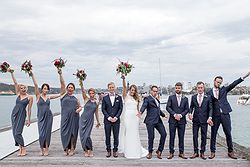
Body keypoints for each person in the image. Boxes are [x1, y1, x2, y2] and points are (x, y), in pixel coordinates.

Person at [208, 71, 250, 159]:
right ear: (214, 81)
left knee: (228, 133)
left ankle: (230, 152)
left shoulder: (224, 89)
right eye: (217, 82)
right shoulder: (209, 93)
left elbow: (234, 84)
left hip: (225, 114)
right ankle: (212, 152)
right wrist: (209, 118)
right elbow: (209, 106)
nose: (218, 83)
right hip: (215, 116)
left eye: (220, 82)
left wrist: (244, 76)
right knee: (213, 134)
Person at [30, 71, 61, 156]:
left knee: (47, 132)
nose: (46, 90)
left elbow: (59, 95)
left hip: (49, 116)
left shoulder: (48, 97)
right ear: (42, 89)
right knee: (41, 134)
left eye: (47, 88)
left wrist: (63, 93)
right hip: (40, 117)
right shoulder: (38, 96)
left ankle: (46, 148)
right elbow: (36, 85)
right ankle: (41, 148)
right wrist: (32, 75)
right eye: (44, 88)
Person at [119, 75, 148, 159]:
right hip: (128, 117)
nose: (133, 91)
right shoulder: (125, 96)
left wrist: (139, 115)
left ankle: (135, 150)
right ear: (129, 90)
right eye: (132, 90)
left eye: (134, 90)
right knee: (128, 133)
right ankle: (128, 151)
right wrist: (124, 79)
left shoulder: (137, 98)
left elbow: (138, 108)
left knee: (135, 133)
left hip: (135, 117)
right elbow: (124, 87)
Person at [8, 68, 33, 156]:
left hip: (22, 115)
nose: (23, 89)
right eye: (21, 88)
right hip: (14, 114)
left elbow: (29, 109)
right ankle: (20, 149)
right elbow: (15, 83)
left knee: (18, 132)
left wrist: (29, 120)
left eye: (24, 88)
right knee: (14, 132)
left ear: (27, 89)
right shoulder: (18, 94)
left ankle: (24, 148)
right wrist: (12, 73)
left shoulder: (30, 97)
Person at [57, 69, 82, 156]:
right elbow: (62, 84)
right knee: (64, 133)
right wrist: (60, 74)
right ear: (67, 88)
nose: (70, 88)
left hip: (74, 118)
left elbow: (80, 107)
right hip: (65, 118)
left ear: (74, 89)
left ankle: (72, 148)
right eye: (69, 87)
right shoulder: (63, 95)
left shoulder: (76, 98)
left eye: (72, 87)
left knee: (73, 133)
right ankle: (65, 148)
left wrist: (79, 109)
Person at [138, 85, 167, 159]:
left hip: (158, 120)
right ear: (151, 91)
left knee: (164, 134)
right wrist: (141, 112)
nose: (155, 92)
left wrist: (163, 115)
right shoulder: (147, 98)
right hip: (150, 121)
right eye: (154, 91)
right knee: (151, 137)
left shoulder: (157, 100)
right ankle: (150, 152)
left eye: (156, 91)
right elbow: (144, 105)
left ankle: (159, 150)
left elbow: (158, 110)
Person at [188, 81, 213, 160]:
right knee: (195, 136)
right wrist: (190, 113)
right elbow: (191, 107)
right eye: (198, 88)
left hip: (204, 120)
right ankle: (196, 152)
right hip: (195, 119)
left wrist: (210, 117)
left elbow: (211, 108)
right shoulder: (193, 97)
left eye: (201, 87)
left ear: (204, 88)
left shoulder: (208, 97)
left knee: (204, 136)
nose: (200, 89)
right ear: (196, 88)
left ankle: (202, 152)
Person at [166, 82, 189, 159]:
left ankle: (181, 153)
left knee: (181, 137)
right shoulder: (171, 97)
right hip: (172, 120)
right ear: (175, 88)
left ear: (181, 89)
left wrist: (181, 115)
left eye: (179, 88)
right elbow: (168, 107)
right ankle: (171, 152)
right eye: (176, 88)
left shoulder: (185, 98)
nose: (177, 89)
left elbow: (187, 109)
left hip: (182, 121)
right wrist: (174, 114)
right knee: (172, 137)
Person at [79, 80, 101, 157]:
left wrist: (98, 122)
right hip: (82, 119)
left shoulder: (96, 102)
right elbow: (82, 90)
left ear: (94, 93)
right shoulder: (86, 99)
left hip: (90, 120)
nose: (91, 95)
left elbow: (96, 112)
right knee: (82, 135)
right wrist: (81, 81)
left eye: (92, 93)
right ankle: (85, 150)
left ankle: (90, 150)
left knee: (87, 135)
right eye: (90, 93)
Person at [102, 82, 123, 158]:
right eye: (110, 87)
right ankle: (108, 150)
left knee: (116, 136)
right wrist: (109, 117)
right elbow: (103, 109)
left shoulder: (119, 97)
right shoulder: (104, 98)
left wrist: (116, 117)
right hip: (107, 120)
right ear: (108, 88)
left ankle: (115, 150)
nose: (111, 88)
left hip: (116, 120)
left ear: (115, 88)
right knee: (107, 136)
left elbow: (120, 109)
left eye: (113, 87)